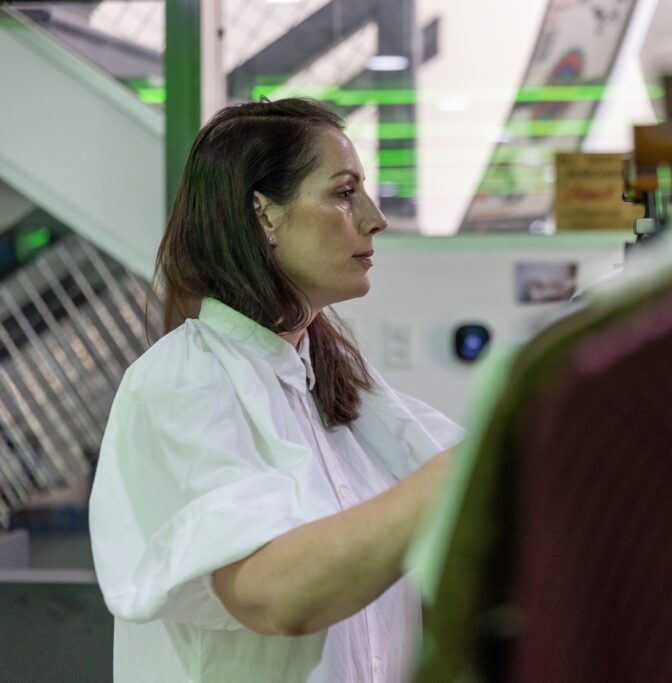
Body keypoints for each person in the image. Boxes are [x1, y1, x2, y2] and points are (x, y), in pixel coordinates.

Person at [88, 98, 463, 683]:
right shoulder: (182, 382)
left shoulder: (336, 385)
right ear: (263, 214)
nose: (374, 217)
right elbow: (274, 594)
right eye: (344, 192)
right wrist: (458, 474)